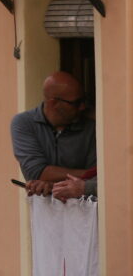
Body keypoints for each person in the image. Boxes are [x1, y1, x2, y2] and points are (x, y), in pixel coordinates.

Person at [11, 71, 96, 199]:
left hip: (86, 212)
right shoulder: (24, 123)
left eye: (84, 100)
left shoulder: (91, 127)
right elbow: (36, 173)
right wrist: (87, 174)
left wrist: (53, 183)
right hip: (48, 215)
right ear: (53, 103)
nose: (82, 107)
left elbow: (100, 178)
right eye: (76, 103)